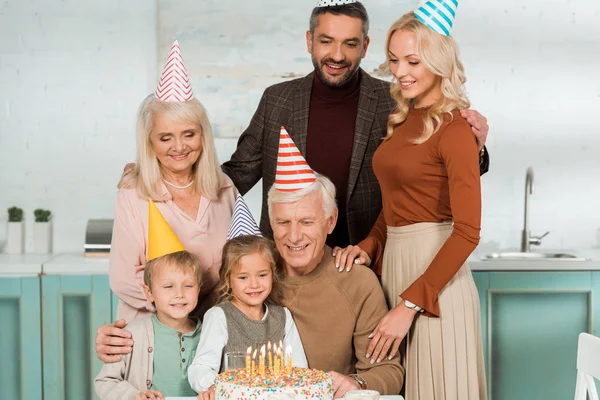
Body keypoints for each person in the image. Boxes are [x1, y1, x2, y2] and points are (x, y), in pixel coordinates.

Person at [97, 134, 404, 398]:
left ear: (330, 221)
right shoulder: (243, 277)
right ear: (271, 222)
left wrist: (355, 383)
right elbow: (183, 325)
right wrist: (126, 342)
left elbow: (388, 370)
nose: (294, 236)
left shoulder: (357, 282)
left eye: (307, 222)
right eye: (283, 222)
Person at [221, 0, 490, 250]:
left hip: (366, 265)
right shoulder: (276, 100)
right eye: (326, 41)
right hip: (286, 265)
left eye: (350, 44)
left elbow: (432, 170)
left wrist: (474, 147)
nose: (337, 55)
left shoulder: (394, 103)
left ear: (365, 46)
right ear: (309, 40)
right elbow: (236, 177)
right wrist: (181, 176)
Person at [333, 5, 487, 399]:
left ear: (438, 59)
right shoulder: (403, 120)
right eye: (395, 60)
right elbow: (395, 205)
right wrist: (369, 246)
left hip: (437, 284)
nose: (400, 71)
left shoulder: (455, 129)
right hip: (397, 271)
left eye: (413, 60)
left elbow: (468, 232)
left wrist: (409, 307)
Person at [109, 40, 236, 328]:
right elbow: (123, 278)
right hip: (152, 335)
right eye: (166, 137)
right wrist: (185, 307)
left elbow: (239, 265)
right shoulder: (134, 193)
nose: (179, 147)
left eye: (188, 134)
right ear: (150, 142)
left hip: (214, 333)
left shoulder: (225, 188)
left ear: (202, 136)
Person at [95, 201, 204, 400]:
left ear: (199, 287)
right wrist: (134, 395)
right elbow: (105, 381)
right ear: (149, 293)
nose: (179, 294)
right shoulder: (131, 335)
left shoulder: (209, 333)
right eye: (168, 286)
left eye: (188, 286)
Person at [188, 234, 307, 399]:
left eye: (262, 275)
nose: (254, 284)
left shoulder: (283, 316)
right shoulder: (219, 316)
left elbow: (299, 368)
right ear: (228, 278)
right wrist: (215, 387)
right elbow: (201, 367)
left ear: (273, 274)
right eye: (243, 277)